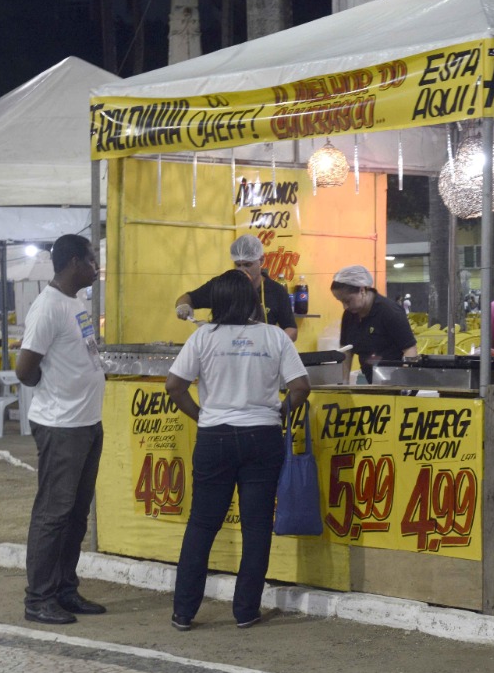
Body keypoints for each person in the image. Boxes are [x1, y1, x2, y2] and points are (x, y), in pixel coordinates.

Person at [165, 269, 310, 631]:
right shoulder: (274, 337)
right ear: (251, 300)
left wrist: (203, 417)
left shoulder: (203, 338)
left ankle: (184, 611)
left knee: (202, 524)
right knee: (256, 526)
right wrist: (278, 413)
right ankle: (246, 611)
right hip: (263, 438)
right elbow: (301, 387)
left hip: (215, 438)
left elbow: (174, 386)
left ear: (216, 302)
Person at [15, 234, 108, 625]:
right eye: (91, 259)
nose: (96, 266)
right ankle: (38, 598)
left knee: (75, 516)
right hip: (61, 425)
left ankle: (65, 589)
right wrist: (52, 389)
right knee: (52, 514)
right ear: (73, 263)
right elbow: (24, 369)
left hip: (87, 422)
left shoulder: (77, 300)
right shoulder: (47, 307)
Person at [175, 234, 298, 342]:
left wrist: (275, 343)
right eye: (238, 265)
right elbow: (186, 298)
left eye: (247, 264)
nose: (242, 270)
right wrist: (183, 306)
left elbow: (291, 329)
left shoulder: (276, 291)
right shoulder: (222, 286)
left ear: (261, 260)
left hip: (261, 357)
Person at [330, 265, 417, 384]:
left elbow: (410, 349)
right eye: (341, 301)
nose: (345, 306)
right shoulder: (349, 315)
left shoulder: (389, 312)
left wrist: (404, 384)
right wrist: (343, 383)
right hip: (369, 379)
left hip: (393, 382)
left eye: (348, 301)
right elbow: (347, 351)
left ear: (362, 290)